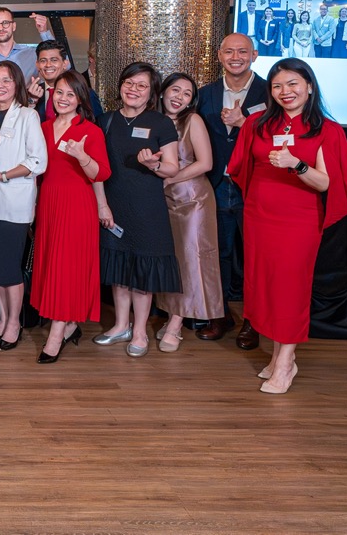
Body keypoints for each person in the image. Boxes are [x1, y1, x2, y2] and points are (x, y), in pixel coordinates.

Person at [228, 58, 347, 394]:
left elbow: (326, 183)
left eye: (292, 84)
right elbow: (242, 169)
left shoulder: (327, 130)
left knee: (290, 289)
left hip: (298, 221)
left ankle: (286, 362)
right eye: (277, 86)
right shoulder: (257, 123)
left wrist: (296, 164)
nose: (285, 91)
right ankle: (277, 356)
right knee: (264, 286)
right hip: (258, 216)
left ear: (309, 86)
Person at [92, 62, 180, 358]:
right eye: (129, 83)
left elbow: (172, 167)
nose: (134, 89)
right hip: (114, 205)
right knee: (119, 267)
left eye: (142, 85)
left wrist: (154, 164)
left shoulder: (161, 123)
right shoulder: (105, 120)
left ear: (151, 92)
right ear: (120, 86)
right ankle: (121, 325)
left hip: (147, 208)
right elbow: (97, 168)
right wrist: (102, 204)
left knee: (142, 271)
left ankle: (140, 331)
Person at [29, 70, 109, 363]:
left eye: (70, 94)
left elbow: (100, 173)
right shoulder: (42, 127)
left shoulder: (91, 131)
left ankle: (56, 334)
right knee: (52, 264)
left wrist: (82, 156)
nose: (63, 99)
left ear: (80, 99)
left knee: (66, 267)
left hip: (77, 204)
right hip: (48, 202)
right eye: (59, 92)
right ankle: (71, 324)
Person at [194, 32, 269, 348]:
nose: (235, 57)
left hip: (255, 185)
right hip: (215, 185)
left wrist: (245, 122)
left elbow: (280, 134)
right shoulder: (205, 94)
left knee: (255, 257)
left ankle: (253, 321)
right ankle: (220, 314)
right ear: (220, 56)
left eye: (242, 51)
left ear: (254, 55)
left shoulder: (271, 92)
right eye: (229, 51)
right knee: (218, 254)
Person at [0, 59, 47, 350]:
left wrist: (4, 174)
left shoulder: (28, 116)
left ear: (17, 84)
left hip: (13, 199)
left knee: (9, 267)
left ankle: (14, 322)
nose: (0, 85)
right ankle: (2, 319)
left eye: (6, 80)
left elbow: (38, 161)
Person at [154, 73, 223, 353]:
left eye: (186, 94)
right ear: (162, 92)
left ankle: (176, 324)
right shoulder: (153, 120)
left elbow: (205, 163)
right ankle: (172, 313)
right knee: (170, 260)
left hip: (192, 200)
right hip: (161, 201)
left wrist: (170, 179)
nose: (179, 97)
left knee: (190, 260)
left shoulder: (192, 121)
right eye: (175, 90)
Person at [0, 7, 41, 106]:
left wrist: (44, 32)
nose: (1, 28)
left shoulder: (32, 55)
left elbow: (61, 63)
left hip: (27, 111)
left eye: (5, 23)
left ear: (13, 26)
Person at [31, 40, 103, 121]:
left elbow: (97, 124)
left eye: (54, 60)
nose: (48, 65)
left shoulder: (85, 93)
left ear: (65, 64)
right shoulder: (31, 95)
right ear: (37, 65)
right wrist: (31, 102)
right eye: (43, 61)